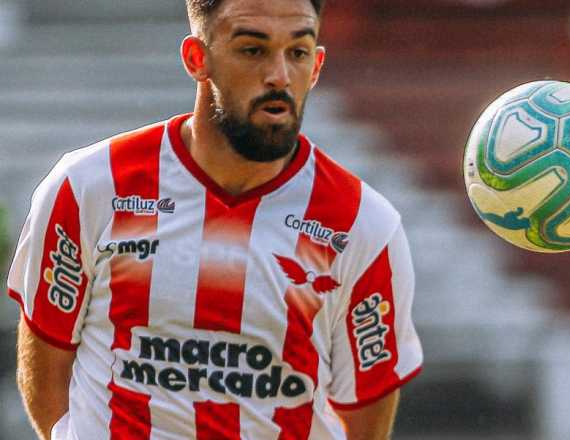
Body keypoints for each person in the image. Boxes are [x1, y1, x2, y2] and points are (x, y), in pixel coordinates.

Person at [8, 0, 422, 438]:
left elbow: (366, 415)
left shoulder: (363, 224)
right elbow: (46, 357)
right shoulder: (90, 186)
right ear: (196, 58)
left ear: (316, 66)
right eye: (252, 50)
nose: (279, 75)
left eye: (297, 52)